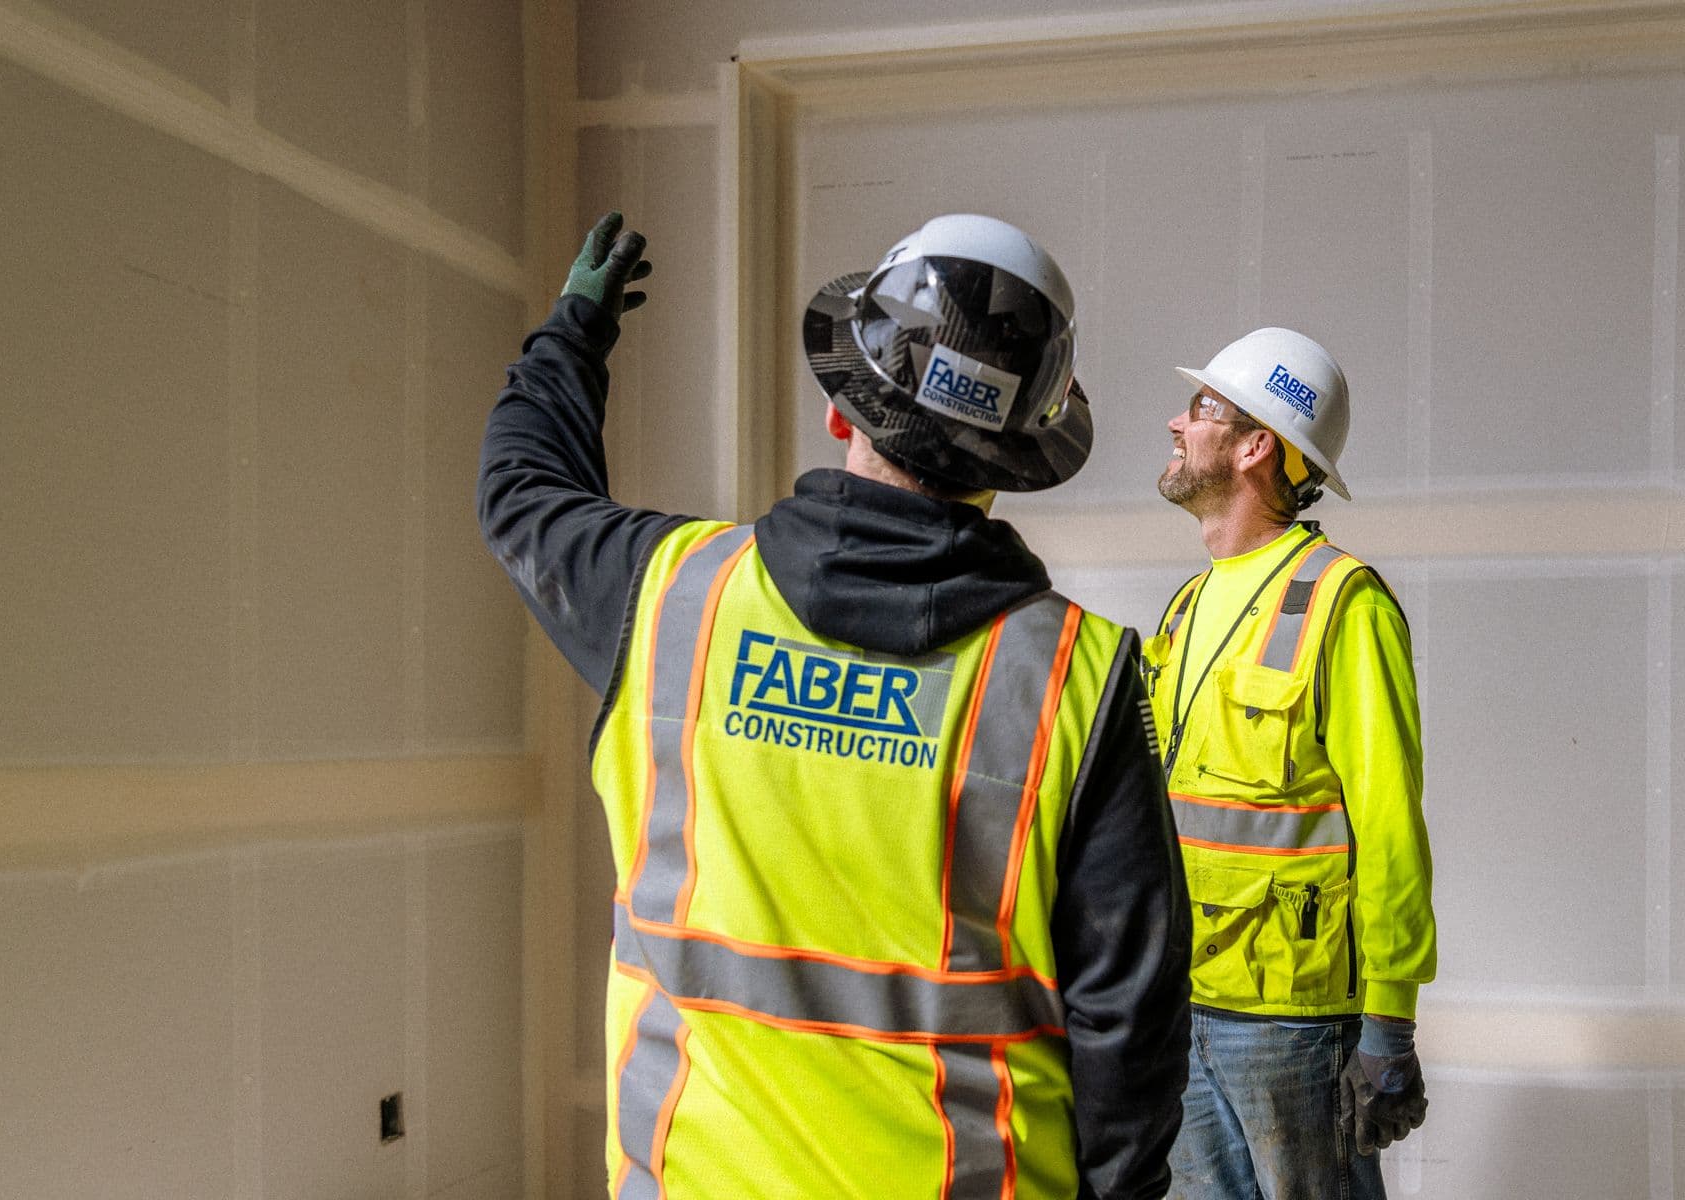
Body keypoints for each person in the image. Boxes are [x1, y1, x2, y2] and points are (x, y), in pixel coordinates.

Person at [478, 210, 1191, 1199]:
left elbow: (520, 490)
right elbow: (1130, 1017)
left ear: (843, 411)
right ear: (1012, 461)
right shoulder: (1077, 679)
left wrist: (572, 334)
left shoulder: (667, 596)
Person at [1144, 328, 1436, 1200]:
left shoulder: (1343, 604)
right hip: (1184, 999)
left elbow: (1388, 825)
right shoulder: (1189, 604)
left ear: (1255, 444)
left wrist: (1389, 1022)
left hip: (1294, 1019)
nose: (1176, 423)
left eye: (1202, 409)